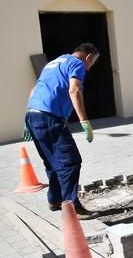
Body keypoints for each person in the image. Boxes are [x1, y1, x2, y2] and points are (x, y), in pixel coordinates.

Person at [22, 43, 100, 219]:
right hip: (50, 117)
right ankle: (72, 207)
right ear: (88, 57)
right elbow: (75, 90)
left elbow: (34, 89)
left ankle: (55, 200)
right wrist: (84, 121)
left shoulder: (54, 63)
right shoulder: (77, 64)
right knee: (70, 162)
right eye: (92, 62)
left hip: (33, 115)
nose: (90, 67)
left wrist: (29, 116)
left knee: (52, 162)